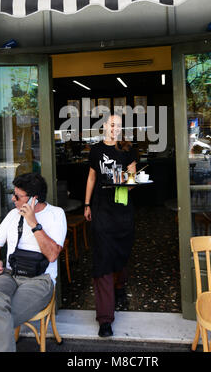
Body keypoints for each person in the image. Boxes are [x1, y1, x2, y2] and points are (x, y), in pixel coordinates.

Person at [0, 172, 67, 352]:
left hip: (40, 279)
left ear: (34, 199)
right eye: (13, 194)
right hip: (9, 275)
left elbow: (53, 254)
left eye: (17, 196)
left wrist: (33, 223)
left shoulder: (56, 214)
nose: (13, 199)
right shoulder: (12, 215)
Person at [84, 114, 137, 338]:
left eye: (119, 126)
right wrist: (86, 204)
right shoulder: (95, 151)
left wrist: (123, 181)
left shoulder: (128, 149)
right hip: (101, 211)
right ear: (105, 126)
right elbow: (91, 178)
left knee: (121, 252)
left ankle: (120, 285)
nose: (115, 128)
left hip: (122, 211)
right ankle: (105, 319)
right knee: (103, 258)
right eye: (112, 124)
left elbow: (133, 180)